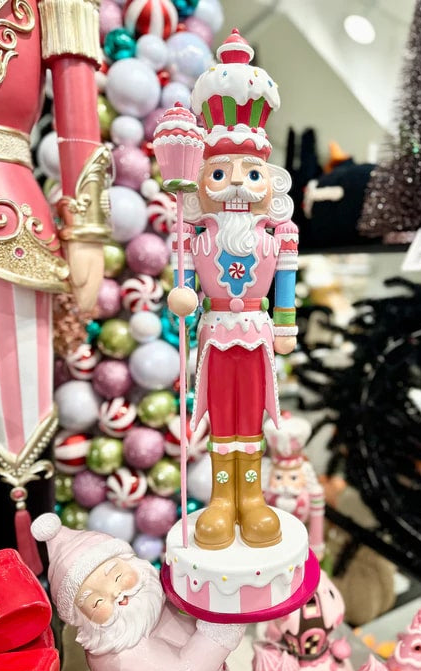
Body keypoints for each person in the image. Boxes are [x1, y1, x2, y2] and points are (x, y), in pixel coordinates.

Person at [0, 0, 110, 565]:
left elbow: (75, 89)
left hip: (9, 224)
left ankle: (21, 591)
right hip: (11, 219)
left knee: (16, 434)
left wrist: (86, 229)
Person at [167, 29, 299, 551]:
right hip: (216, 330)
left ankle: (253, 496)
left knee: (254, 414)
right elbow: (183, 286)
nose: (238, 184)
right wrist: (182, 296)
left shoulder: (278, 234)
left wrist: (285, 325)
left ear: (271, 180)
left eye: (251, 173)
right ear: (201, 180)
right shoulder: (194, 233)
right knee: (221, 413)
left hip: (258, 331)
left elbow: (284, 283)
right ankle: (223, 498)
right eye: (220, 173)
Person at [31, 512, 244, 671]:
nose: (116, 594)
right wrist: (225, 619)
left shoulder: (152, 598)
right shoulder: (121, 656)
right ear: (82, 617)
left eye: (117, 577)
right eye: (97, 602)